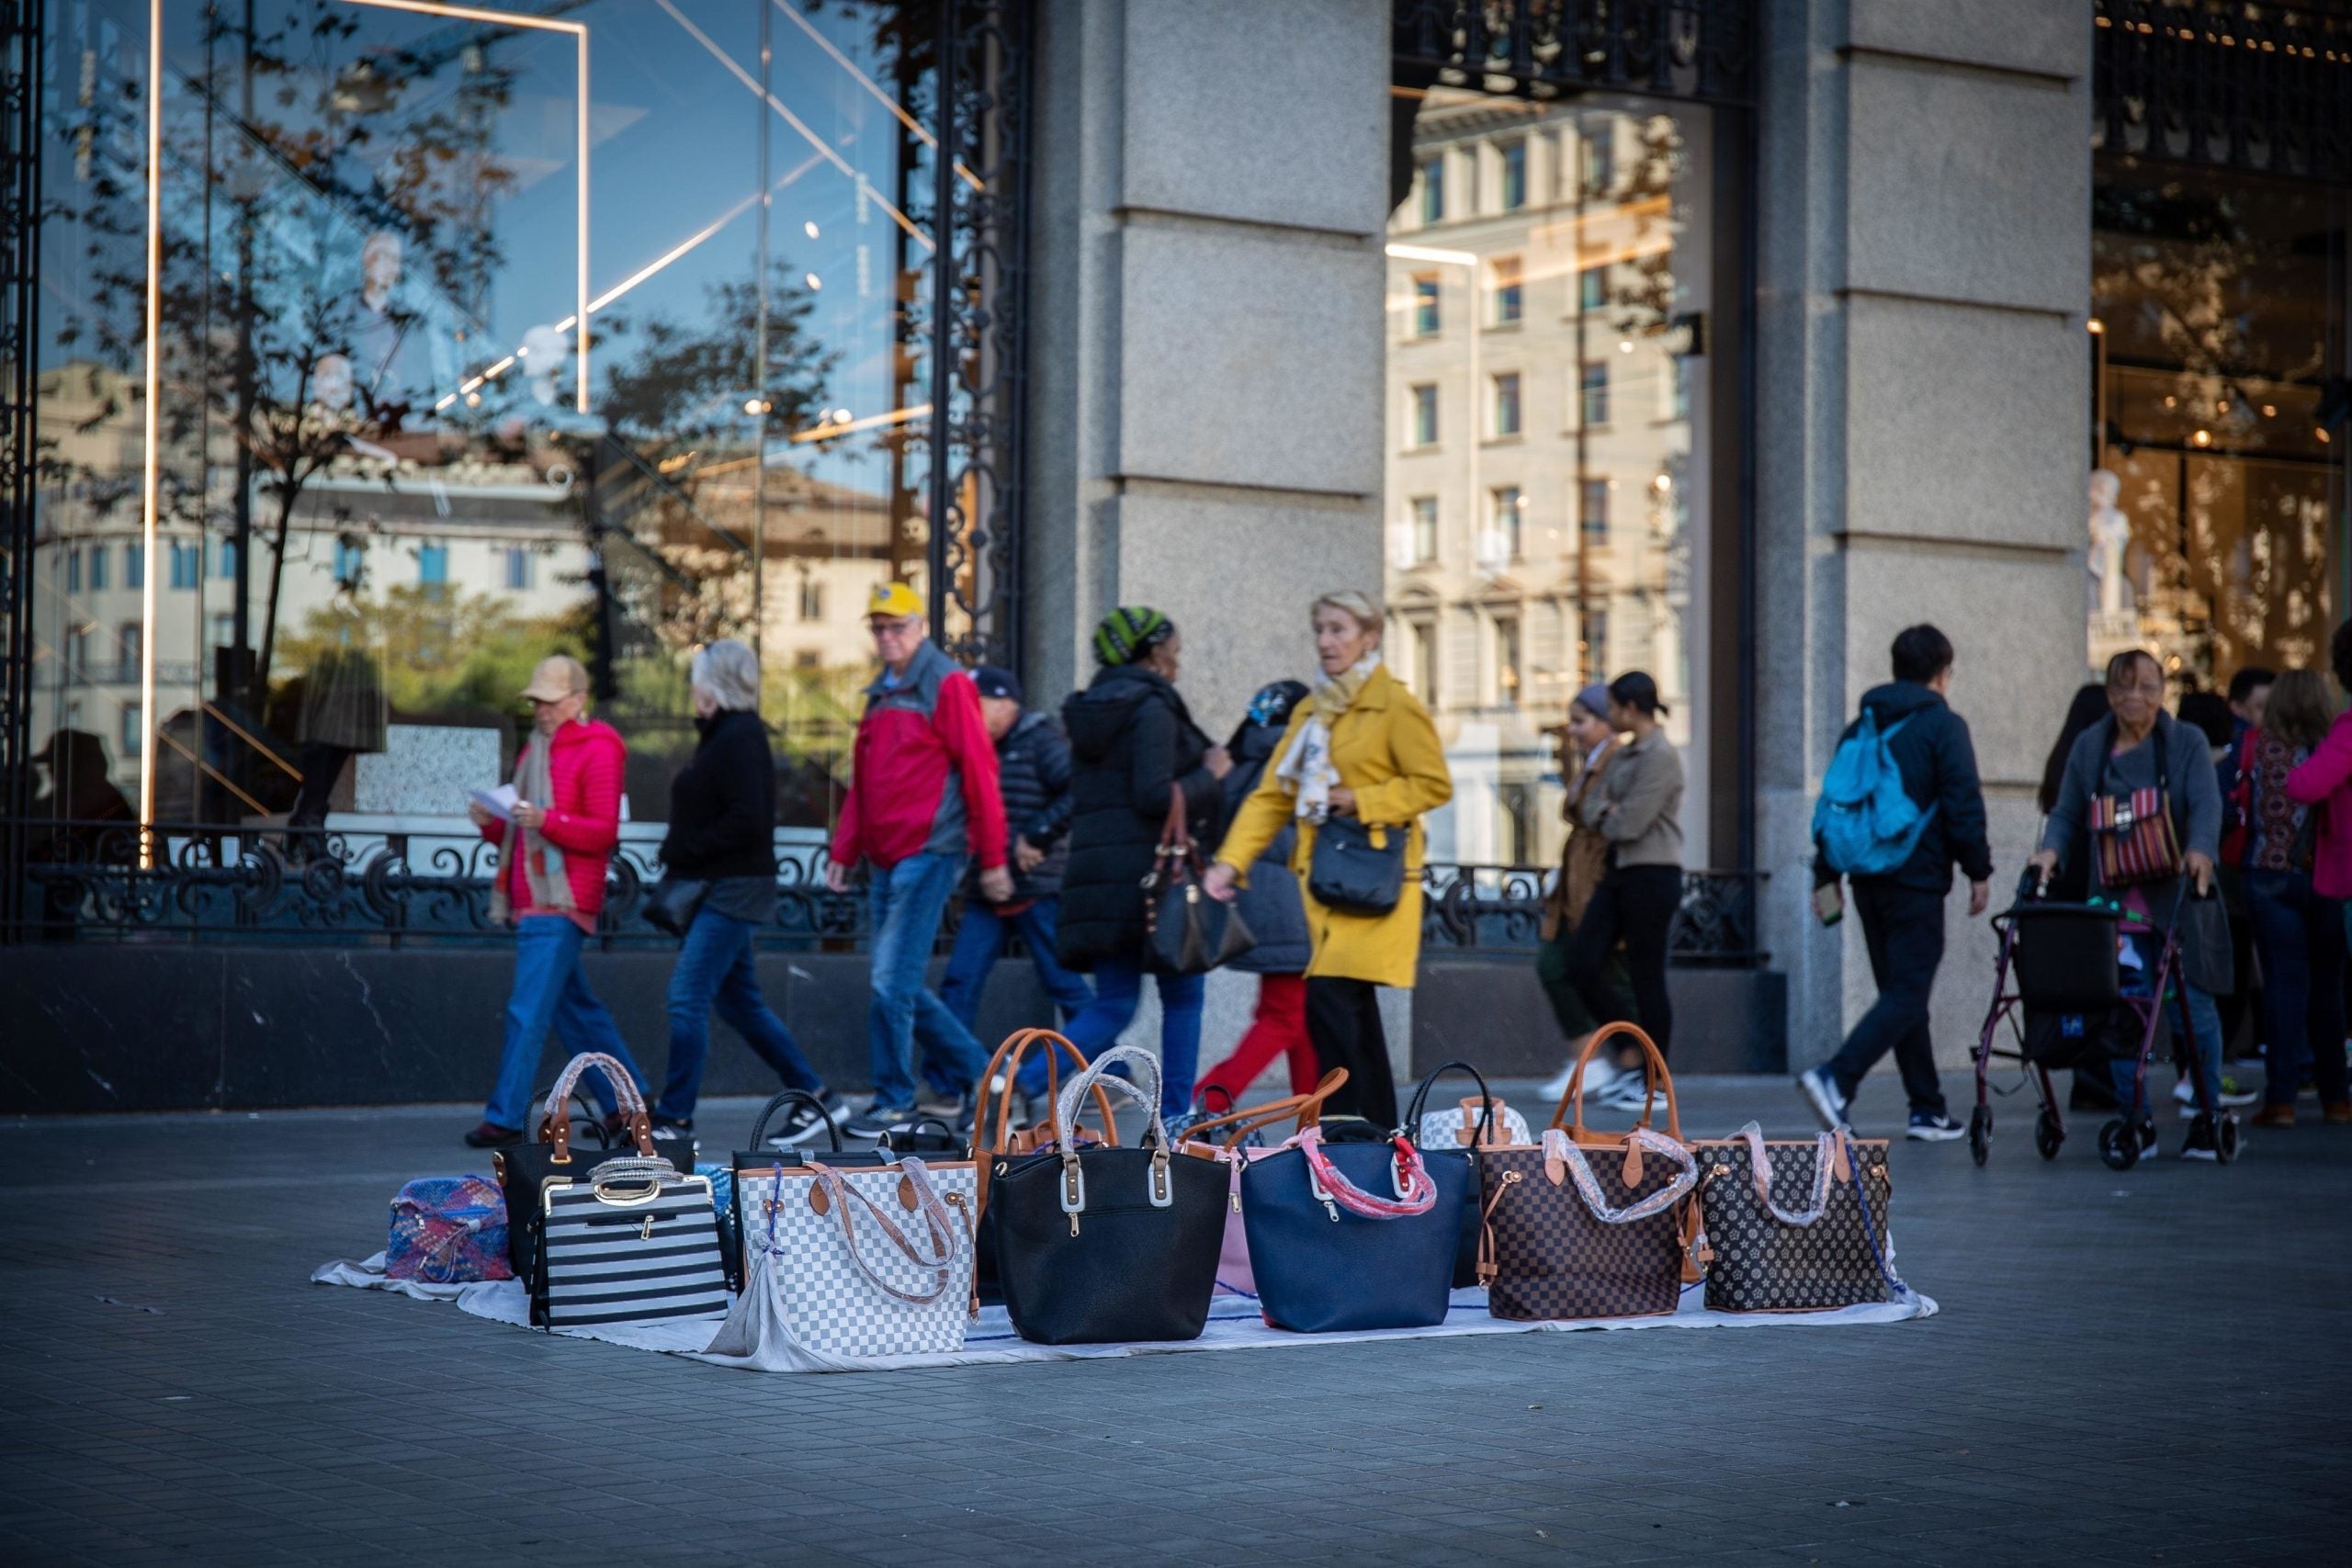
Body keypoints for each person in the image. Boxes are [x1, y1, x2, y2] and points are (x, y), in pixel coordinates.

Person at [1207, 591, 1453, 1128]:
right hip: (1321, 883)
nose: (1325, 641)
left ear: (1370, 635)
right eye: (1319, 629)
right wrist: (1229, 864)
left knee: (1331, 1002)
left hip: (1371, 880)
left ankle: (1347, 1134)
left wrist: (1361, 799)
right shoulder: (1312, 708)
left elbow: (1432, 784)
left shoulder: (1394, 705)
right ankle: (1381, 1137)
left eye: (1338, 629)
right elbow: (1273, 795)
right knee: (1349, 1012)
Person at [825, 583, 1012, 1139]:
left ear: (920, 627)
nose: (887, 637)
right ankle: (990, 1075)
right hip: (887, 857)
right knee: (899, 981)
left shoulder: (947, 683)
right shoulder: (882, 690)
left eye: (897, 627)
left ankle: (895, 1101)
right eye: (879, 628)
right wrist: (844, 850)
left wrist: (995, 857)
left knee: (889, 982)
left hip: (929, 852)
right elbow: (862, 782)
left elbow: (981, 770)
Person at [2030, 649, 2230, 1160]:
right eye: (2123, 687)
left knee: (2194, 1011)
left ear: (2163, 690)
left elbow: (2207, 804)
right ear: (2109, 692)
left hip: (2177, 901)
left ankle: (2209, 1116)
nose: (2134, 697)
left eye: (2146, 686)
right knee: (2121, 1015)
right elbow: (2067, 811)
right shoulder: (2091, 745)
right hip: (2115, 907)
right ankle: (2133, 1118)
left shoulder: (2185, 742)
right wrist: (2049, 853)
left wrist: (2201, 851)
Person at [1795, 626, 1992, 1140]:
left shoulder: (1861, 724)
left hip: (1863, 880)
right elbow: (1962, 802)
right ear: (1942, 674)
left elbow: (1835, 811)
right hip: (1917, 878)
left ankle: (1927, 1108)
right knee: (1907, 991)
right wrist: (1979, 871)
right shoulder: (1943, 726)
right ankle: (1836, 1079)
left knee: (1901, 992)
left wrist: (1825, 882)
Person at [649, 640, 841, 1146]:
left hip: (733, 888)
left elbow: (748, 819)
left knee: (685, 997)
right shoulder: (722, 735)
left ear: (714, 684)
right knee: (740, 1005)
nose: (691, 688)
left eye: (697, 677)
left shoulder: (739, 736)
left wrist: (686, 850)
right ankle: (818, 1096)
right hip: (725, 885)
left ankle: (676, 1119)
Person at [464, 655, 652, 1148]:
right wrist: (489, 819)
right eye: (535, 701)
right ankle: (628, 1106)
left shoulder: (600, 747)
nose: (540, 709)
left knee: (528, 1011)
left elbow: (603, 833)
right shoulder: (535, 749)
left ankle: (504, 1117)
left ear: (577, 700)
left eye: (549, 701)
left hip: (564, 898)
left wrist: (543, 820)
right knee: (577, 1013)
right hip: (535, 898)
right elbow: (518, 831)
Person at [1054, 607, 1231, 1116]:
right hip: (1155, 880)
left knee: (1113, 1003)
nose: (1178, 659)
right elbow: (1155, 795)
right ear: (1154, 651)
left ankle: (1014, 1078)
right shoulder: (1150, 707)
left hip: (1099, 879)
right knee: (1183, 998)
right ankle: (1175, 1116)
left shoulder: (1089, 711)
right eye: (1174, 648)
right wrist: (1211, 774)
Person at [936, 666, 1093, 1055]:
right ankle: (946, 1084)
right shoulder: (972, 744)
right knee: (960, 982)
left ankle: (1112, 1078)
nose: (970, 714)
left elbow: (1078, 791)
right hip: (987, 889)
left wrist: (1036, 835)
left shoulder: (1042, 738)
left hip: (1037, 886)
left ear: (1006, 704)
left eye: (979, 704)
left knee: (1063, 984)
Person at [1557, 671, 1683, 1112]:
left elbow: (1628, 823)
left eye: (1612, 708)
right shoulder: (1625, 756)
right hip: (1620, 871)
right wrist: (1610, 811)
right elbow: (1591, 806)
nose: (1609, 716)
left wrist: (1611, 812)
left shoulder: (1660, 756)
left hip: (1653, 872)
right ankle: (1634, 1053)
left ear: (1630, 709)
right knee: (1581, 963)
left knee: (1647, 975)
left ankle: (1656, 1080)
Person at [1193, 680, 1318, 1108]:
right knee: (1283, 1016)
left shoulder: (1242, 757)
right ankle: (1208, 1099)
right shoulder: (1300, 760)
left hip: (1263, 903)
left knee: (1302, 1021)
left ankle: (1313, 1122)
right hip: (1295, 905)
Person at [2242, 667, 2348, 1127]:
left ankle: (2281, 1099)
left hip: (2269, 875)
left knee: (2284, 989)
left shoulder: (2259, 747)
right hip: (2323, 876)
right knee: (2328, 989)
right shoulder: (2334, 748)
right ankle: (2336, 1098)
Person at [1535, 684, 1635, 1101]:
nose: (1573, 730)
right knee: (1555, 964)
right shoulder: (1591, 760)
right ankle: (1592, 1063)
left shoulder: (1618, 760)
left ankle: (1633, 1068)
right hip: (1577, 884)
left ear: (1604, 721)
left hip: (1599, 884)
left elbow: (1613, 821)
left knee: (1610, 975)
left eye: (1580, 721)